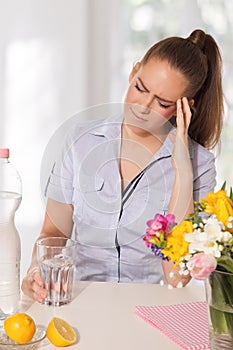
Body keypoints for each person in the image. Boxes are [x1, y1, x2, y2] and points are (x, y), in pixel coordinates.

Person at [22, 29, 223, 302]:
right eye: (140, 88)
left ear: (183, 107)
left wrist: (182, 172)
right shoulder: (80, 141)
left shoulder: (200, 165)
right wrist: (38, 268)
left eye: (162, 102)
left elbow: (177, 276)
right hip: (80, 301)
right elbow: (54, 232)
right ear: (133, 72)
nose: (143, 107)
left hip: (153, 309)